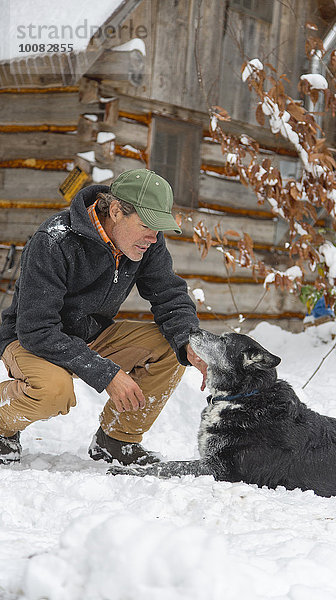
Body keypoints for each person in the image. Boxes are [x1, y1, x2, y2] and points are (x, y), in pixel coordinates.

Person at [0, 168, 207, 465]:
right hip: (31, 340)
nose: (153, 236)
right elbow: (36, 328)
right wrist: (106, 374)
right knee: (54, 390)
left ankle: (116, 438)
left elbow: (169, 294)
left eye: (158, 228)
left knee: (172, 347)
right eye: (147, 224)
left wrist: (188, 341)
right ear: (115, 210)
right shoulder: (54, 240)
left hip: (91, 334)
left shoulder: (147, 242)